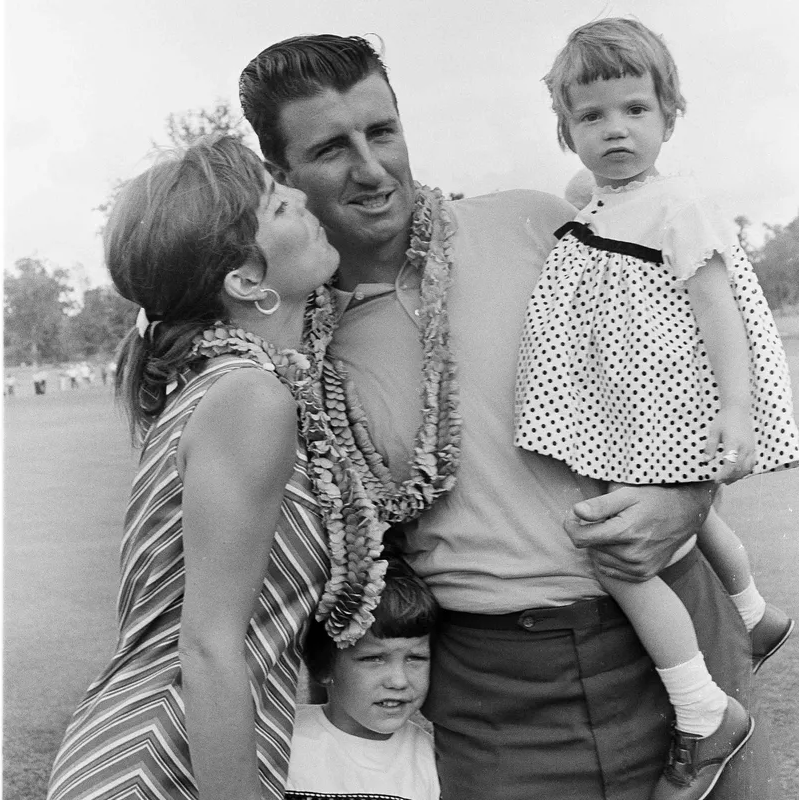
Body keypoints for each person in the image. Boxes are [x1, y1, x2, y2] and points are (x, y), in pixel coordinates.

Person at [239, 35, 773, 799]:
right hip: (495, 696)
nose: (370, 167)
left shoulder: (544, 224)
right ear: (282, 173)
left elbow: (689, 376)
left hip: (677, 644)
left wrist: (686, 498)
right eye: (331, 148)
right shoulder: (298, 346)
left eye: (382, 131)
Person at [512, 19, 798, 799]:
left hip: (672, 401)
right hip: (632, 406)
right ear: (566, 130)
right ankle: (754, 610)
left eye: (635, 110)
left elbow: (721, 314)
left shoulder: (677, 207)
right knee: (682, 520)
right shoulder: (610, 202)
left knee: (611, 549)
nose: (615, 130)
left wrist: (734, 412)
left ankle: (703, 710)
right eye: (592, 116)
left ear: (669, 115)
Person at [46, 134, 357, 800]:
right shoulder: (248, 397)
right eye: (278, 207)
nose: (302, 196)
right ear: (246, 281)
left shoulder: (221, 387)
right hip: (159, 765)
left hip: (157, 755)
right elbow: (210, 647)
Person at [286, 552, 440, 800]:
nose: (399, 681)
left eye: (415, 658)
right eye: (373, 659)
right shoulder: (284, 741)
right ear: (323, 667)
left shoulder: (428, 757)